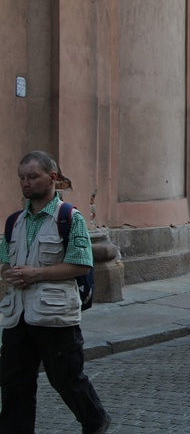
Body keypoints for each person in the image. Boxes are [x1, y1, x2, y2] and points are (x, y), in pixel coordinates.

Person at [0, 151, 110, 433]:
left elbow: (80, 264)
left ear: (52, 178)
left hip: (55, 314)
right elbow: (4, 263)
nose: (26, 183)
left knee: (67, 379)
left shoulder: (70, 218)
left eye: (32, 177)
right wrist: (8, 273)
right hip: (17, 316)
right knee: (14, 383)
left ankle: (95, 421)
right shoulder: (13, 221)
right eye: (22, 178)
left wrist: (36, 274)